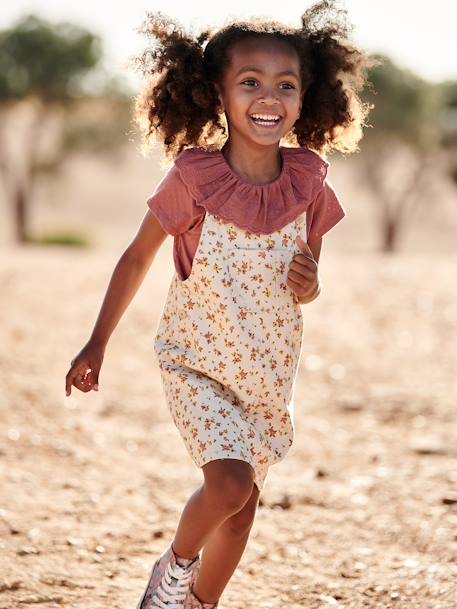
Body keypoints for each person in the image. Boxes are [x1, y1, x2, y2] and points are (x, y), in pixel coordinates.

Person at [65, 2, 376, 607]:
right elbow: (136, 258)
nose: (269, 96)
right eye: (250, 82)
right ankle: (175, 569)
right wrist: (97, 342)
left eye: (286, 84)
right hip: (197, 363)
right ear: (217, 93)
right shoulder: (193, 179)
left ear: (305, 96)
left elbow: (308, 283)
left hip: (267, 374)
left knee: (241, 510)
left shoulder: (310, 181)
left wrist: (311, 282)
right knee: (229, 485)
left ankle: (200, 603)